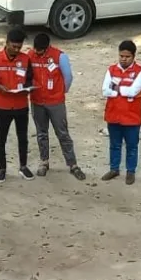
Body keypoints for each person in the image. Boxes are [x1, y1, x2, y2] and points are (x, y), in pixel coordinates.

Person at [28, 33, 84, 180]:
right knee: (41, 133)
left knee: (62, 133)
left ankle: (72, 164)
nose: (37, 52)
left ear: (47, 48)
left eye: (40, 50)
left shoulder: (60, 57)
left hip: (55, 102)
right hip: (37, 101)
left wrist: (60, 92)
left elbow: (68, 77)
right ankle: (44, 162)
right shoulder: (30, 55)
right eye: (35, 49)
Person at [0, 27, 34, 181]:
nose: (16, 49)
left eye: (19, 47)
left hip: (21, 105)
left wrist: (27, 88)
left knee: (23, 138)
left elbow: (29, 79)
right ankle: (2, 168)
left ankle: (23, 166)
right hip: (3, 105)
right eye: (13, 46)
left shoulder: (26, 59)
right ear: (6, 43)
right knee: (1, 139)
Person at [101, 40, 141, 185]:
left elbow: (134, 91)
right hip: (113, 114)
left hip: (132, 117)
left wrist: (116, 89)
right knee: (114, 144)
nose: (123, 59)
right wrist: (124, 91)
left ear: (133, 56)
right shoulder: (111, 70)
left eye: (127, 56)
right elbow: (105, 90)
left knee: (132, 146)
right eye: (121, 56)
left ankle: (130, 171)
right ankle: (114, 169)